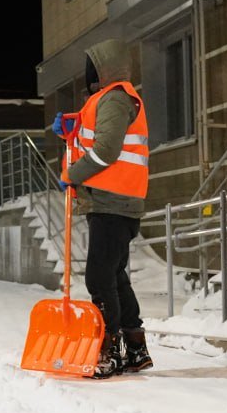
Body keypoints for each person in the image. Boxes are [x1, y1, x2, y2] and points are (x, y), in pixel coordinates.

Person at [51, 38, 153, 379]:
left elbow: (107, 149)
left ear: (103, 69)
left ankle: (107, 352)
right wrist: (72, 125)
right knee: (114, 275)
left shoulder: (115, 98)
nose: (87, 73)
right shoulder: (107, 100)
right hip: (111, 200)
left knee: (99, 276)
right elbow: (95, 136)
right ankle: (135, 349)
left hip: (114, 201)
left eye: (92, 66)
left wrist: (72, 174)